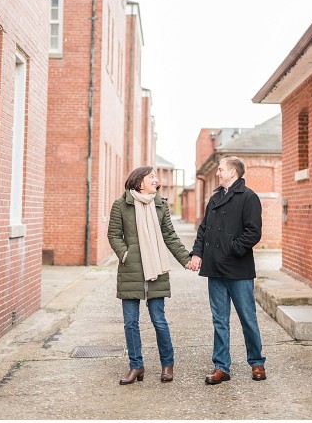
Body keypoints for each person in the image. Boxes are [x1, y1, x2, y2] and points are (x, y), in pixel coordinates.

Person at [107, 166, 193, 385]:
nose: (156, 180)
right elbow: (114, 235)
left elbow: (170, 237)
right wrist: (125, 254)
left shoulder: (160, 205)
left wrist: (186, 259)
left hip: (156, 268)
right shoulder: (121, 205)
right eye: (152, 177)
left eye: (156, 176)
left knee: (159, 320)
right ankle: (136, 366)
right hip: (131, 269)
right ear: (139, 182)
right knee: (130, 322)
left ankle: (167, 364)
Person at [188, 156, 266, 384]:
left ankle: (257, 362)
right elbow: (204, 230)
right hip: (215, 270)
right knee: (219, 320)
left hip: (238, 270)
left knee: (248, 318)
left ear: (233, 173)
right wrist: (197, 252)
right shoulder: (214, 198)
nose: (218, 173)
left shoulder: (249, 197)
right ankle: (221, 366)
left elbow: (253, 232)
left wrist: (231, 249)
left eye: (221, 170)